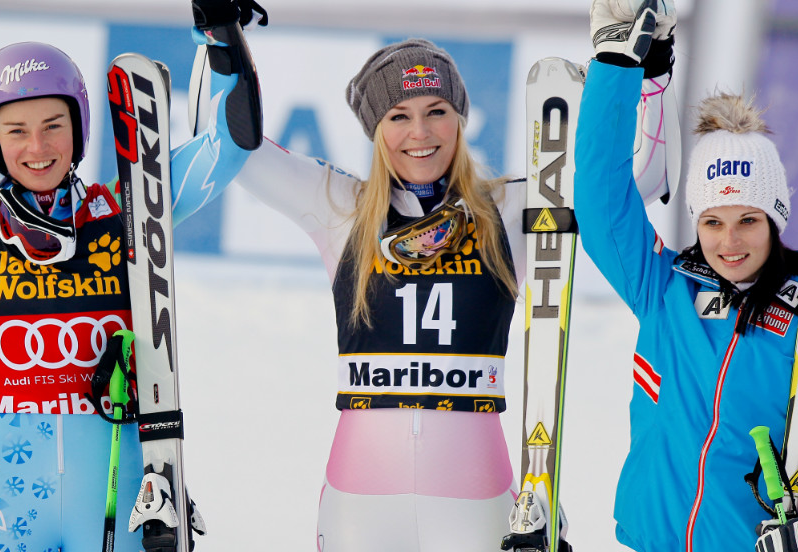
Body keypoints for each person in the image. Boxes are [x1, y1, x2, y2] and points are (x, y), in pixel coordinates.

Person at [188, 1, 672, 547]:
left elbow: (636, 180)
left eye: (437, 110)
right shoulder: (340, 208)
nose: (420, 132)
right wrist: (220, 36)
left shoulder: (510, 212)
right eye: (398, 116)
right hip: (358, 505)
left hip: (476, 501)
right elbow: (235, 151)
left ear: (460, 119)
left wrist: (648, 68)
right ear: (376, 130)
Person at [0, 9, 259, 550]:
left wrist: (221, 39)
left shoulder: (129, 208)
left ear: (80, 127)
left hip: (117, 492)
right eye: (16, 131)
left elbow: (230, 145)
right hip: (0, 506)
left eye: (53, 127)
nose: (37, 148)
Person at [575, 1, 798, 551]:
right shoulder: (665, 289)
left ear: (776, 220)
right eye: (712, 221)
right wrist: (617, 64)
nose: (729, 241)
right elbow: (600, 201)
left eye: (748, 221)